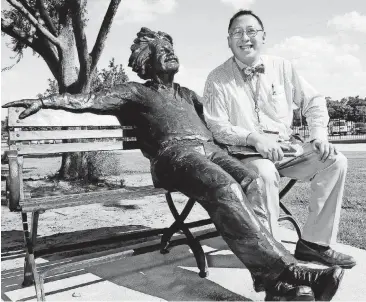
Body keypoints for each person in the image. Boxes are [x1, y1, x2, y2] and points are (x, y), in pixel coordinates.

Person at [3, 27, 344, 301]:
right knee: (224, 185)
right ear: (145, 62)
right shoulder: (134, 92)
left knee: (253, 181)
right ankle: (289, 271)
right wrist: (44, 100)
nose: (168, 52)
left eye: (170, 46)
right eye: (158, 50)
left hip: (208, 150)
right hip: (173, 156)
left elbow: (220, 124)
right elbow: (87, 100)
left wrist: (264, 136)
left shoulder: (187, 94)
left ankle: (275, 285)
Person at [203, 10, 356, 270]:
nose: (245, 37)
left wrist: (319, 133)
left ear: (263, 37)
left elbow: (314, 100)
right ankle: (273, 257)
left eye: (252, 31)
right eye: (237, 32)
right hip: (244, 153)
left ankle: (314, 244)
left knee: (335, 161)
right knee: (263, 174)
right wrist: (254, 138)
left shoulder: (283, 67)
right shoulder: (217, 79)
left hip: (287, 148)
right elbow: (218, 127)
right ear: (228, 41)